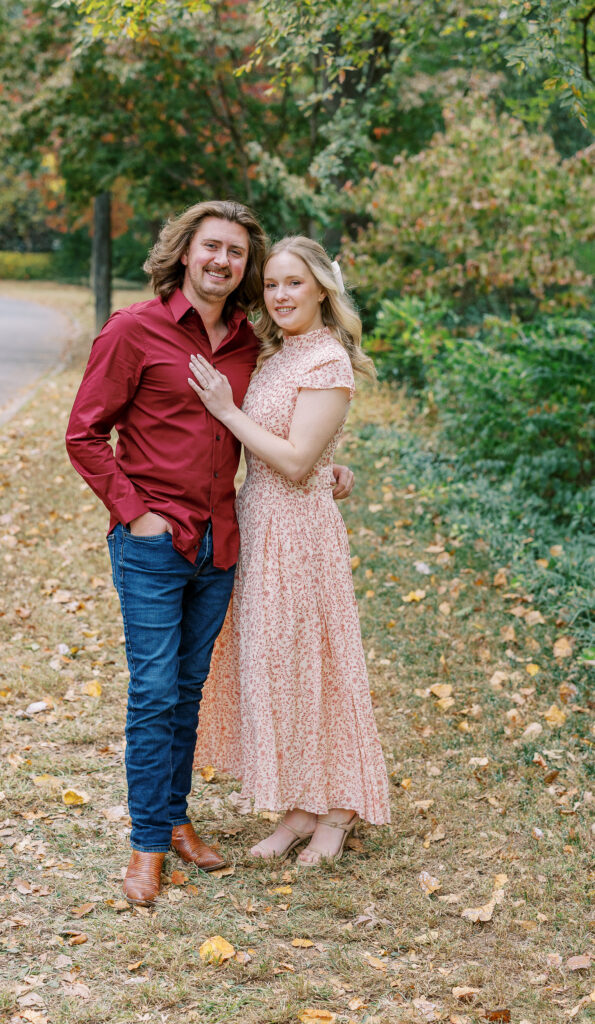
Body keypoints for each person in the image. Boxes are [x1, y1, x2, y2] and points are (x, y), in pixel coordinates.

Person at [65, 203, 354, 905]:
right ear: (184, 252)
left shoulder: (248, 345)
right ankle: (145, 847)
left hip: (223, 542)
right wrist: (134, 516)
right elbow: (82, 434)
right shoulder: (134, 330)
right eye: (211, 247)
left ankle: (176, 820)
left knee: (188, 694)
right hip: (155, 547)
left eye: (235, 253)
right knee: (154, 691)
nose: (222, 261)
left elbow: (289, 422)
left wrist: (330, 470)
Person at [190, 236, 390, 866]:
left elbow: (300, 461)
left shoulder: (326, 359)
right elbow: (309, 445)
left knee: (318, 667)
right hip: (260, 523)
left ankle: (339, 809)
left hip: (301, 534)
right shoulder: (278, 354)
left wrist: (225, 409)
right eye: (272, 284)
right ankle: (300, 805)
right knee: (278, 669)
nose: (279, 296)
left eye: (293, 284)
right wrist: (336, 463)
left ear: (322, 290)